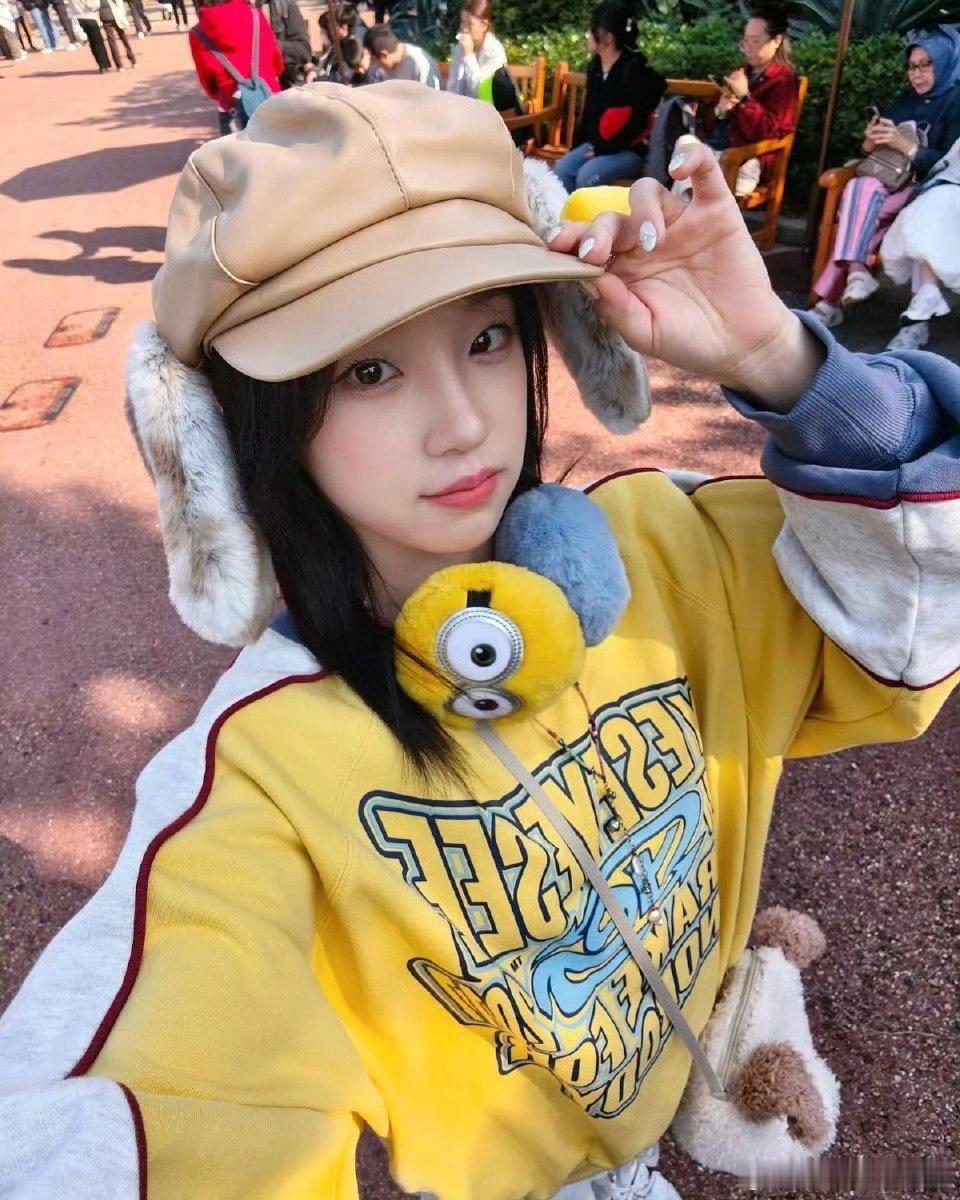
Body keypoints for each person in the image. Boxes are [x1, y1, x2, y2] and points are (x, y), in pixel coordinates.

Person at [3, 80, 960, 1200]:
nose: (463, 423)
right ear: (237, 427)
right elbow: (129, 1096)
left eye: (489, 337)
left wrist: (780, 360)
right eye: (369, 369)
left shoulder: (666, 552)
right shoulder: (256, 777)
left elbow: (909, 613)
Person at [809, 25, 960, 330]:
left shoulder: (956, 102)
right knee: (860, 186)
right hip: (888, 182)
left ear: (945, 62)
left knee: (859, 215)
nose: (916, 74)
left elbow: (950, 164)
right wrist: (870, 142)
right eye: (912, 67)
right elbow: (878, 155)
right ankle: (857, 273)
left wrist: (905, 145)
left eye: (925, 65)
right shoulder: (904, 100)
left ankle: (833, 299)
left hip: (925, 189)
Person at [553, 1, 666, 192]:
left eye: (591, 30)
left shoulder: (635, 70)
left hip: (629, 151)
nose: (587, 35)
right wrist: (575, 150)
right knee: (561, 171)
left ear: (608, 37)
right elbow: (589, 113)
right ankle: (568, 212)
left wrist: (605, 148)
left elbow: (638, 120)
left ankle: (592, 213)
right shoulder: (595, 67)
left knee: (586, 176)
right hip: (596, 146)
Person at [696, 4, 799, 198]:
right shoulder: (740, 71)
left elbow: (771, 131)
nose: (748, 46)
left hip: (745, 161)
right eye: (745, 40)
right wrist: (720, 111)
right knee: (686, 148)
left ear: (777, 40)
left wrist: (744, 98)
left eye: (755, 40)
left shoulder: (783, 80)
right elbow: (708, 123)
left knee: (694, 171)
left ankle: (688, 214)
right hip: (716, 150)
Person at [880, 129, 960, 348]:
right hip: (948, 189)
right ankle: (925, 299)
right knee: (932, 207)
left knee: (940, 207)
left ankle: (925, 303)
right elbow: (947, 165)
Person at [189, 0, 283, 134]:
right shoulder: (256, 16)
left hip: (233, 109)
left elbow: (209, 85)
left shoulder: (197, 33)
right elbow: (277, 64)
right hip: (271, 100)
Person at [445, 0, 507, 98]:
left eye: (469, 24)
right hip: (460, 105)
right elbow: (452, 87)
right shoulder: (459, 49)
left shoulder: (495, 53)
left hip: (485, 106)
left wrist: (468, 56)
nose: (464, 30)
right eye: (462, 23)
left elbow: (479, 91)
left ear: (484, 25)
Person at [364, 21, 440, 88]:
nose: (375, 65)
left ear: (383, 55)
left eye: (374, 61)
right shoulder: (384, 66)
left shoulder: (420, 66)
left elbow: (432, 98)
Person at [256, 0, 311, 88]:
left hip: (283, 83)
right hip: (248, 84)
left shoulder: (285, 6)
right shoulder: (238, 8)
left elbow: (304, 51)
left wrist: (273, 45)